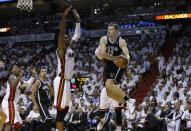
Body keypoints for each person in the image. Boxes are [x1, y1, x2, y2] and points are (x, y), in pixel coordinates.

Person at [95, 23, 131, 130]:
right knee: (102, 109)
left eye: (111, 29)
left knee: (118, 110)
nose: (109, 31)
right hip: (108, 64)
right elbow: (102, 52)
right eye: (108, 29)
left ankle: (119, 128)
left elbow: (127, 54)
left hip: (115, 75)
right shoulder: (103, 39)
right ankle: (102, 120)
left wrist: (126, 60)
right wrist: (116, 59)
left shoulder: (121, 41)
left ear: (116, 31)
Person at [53, 6, 81, 131]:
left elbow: (77, 35)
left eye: (66, 36)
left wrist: (78, 20)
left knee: (66, 108)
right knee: (60, 109)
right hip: (61, 80)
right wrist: (64, 17)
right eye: (64, 37)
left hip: (68, 81)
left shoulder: (69, 47)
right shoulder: (61, 50)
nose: (66, 37)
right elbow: (61, 32)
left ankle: (60, 128)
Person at [2, 65, 36, 131]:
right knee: (9, 123)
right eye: (16, 68)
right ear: (11, 71)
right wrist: (20, 76)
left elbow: (27, 85)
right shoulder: (11, 77)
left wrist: (33, 76)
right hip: (9, 102)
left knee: (19, 123)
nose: (18, 69)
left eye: (18, 68)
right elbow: (13, 86)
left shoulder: (19, 80)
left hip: (13, 103)